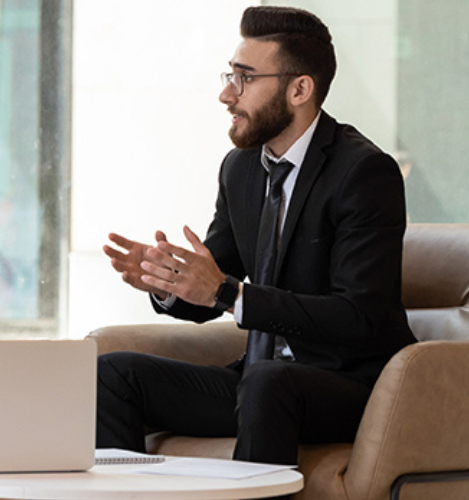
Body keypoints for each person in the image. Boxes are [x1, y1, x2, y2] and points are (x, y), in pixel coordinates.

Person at [96, 5, 417, 470]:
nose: (227, 94)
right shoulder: (241, 168)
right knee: (113, 375)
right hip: (259, 384)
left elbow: (358, 318)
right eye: (228, 75)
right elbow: (213, 284)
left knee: (269, 381)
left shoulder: (363, 173)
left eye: (244, 78)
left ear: (299, 89)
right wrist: (168, 284)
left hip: (350, 386)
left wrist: (226, 292)